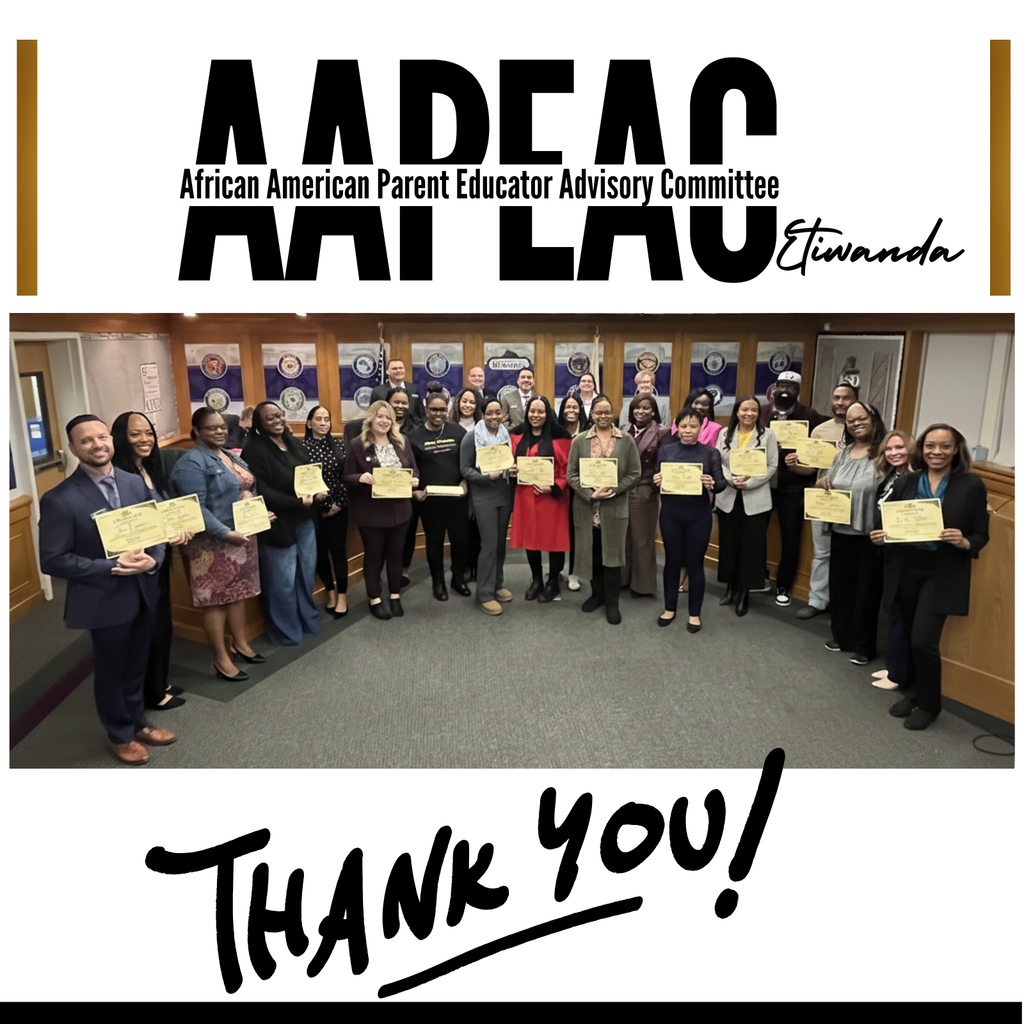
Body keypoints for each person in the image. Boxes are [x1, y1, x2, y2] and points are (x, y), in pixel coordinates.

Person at [40, 414, 175, 765]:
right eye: (86, 441)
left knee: (137, 664)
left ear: (112, 441)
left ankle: (137, 723)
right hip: (103, 598)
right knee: (112, 669)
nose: (97, 445)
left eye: (102, 437)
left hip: (144, 591)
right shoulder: (59, 499)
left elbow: (155, 531)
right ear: (72, 448)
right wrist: (111, 566)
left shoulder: (133, 483)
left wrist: (155, 561)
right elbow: (52, 560)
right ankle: (118, 735)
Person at [871, 424, 989, 730]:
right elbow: (889, 520)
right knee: (909, 635)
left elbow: (980, 534)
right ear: (920, 449)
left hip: (942, 570)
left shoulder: (971, 485)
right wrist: (883, 536)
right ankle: (912, 694)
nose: (937, 452)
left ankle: (929, 704)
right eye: (930, 446)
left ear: (956, 450)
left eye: (945, 446)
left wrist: (965, 542)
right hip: (906, 567)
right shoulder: (908, 481)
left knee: (923, 640)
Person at [172, 408, 264, 681]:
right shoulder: (191, 463)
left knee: (237, 593)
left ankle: (240, 643)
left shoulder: (227, 454)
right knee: (214, 602)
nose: (220, 431)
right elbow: (195, 508)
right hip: (211, 544)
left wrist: (258, 515)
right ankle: (222, 659)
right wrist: (225, 533)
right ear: (197, 431)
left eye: (222, 427)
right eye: (212, 428)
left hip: (241, 535)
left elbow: (244, 488)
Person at [111, 410, 191, 710]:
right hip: (139, 564)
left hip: (161, 558)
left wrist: (178, 529)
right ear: (121, 437)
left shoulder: (150, 468)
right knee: (149, 629)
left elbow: (165, 512)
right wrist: (161, 534)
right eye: (135, 434)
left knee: (162, 624)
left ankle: (158, 682)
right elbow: (126, 526)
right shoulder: (120, 477)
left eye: (148, 433)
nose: (145, 439)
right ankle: (152, 694)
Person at [242, 402, 326, 646]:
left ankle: (305, 621)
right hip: (278, 524)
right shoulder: (254, 450)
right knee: (282, 582)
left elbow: (309, 475)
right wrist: (297, 501)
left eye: (280, 415)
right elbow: (263, 490)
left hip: (304, 519)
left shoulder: (293, 443)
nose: (278, 420)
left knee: (305, 575)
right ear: (259, 424)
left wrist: (318, 491)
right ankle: (285, 632)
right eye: (270, 418)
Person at [819, 401, 887, 665]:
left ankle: (864, 645)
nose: (856, 423)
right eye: (850, 420)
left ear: (873, 419)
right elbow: (831, 481)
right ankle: (842, 635)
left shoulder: (884, 452)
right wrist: (823, 482)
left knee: (866, 591)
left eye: (861, 418)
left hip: (869, 533)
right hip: (840, 529)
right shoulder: (843, 453)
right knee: (841, 586)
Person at [567, 395, 642, 625]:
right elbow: (571, 475)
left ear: (613, 414)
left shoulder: (626, 440)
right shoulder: (579, 441)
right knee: (592, 555)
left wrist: (614, 490)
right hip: (586, 508)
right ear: (591, 415)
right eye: (598, 412)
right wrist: (591, 494)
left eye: (607, 412)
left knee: (612, 557)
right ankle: (596, 595)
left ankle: (612, 602)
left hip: (614, 507)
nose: (602, 416)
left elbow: (635, 474)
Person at [343, 400, 421, 619]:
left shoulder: (402, 441)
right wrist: (360, 477)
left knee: (396, 555)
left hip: (400, 511)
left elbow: (413, 469)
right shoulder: (358, 444)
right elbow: (347, 476)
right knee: (374, 557)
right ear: (371, 418)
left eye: (388, 417)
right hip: (371, 514)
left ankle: (394, 595)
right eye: (380, 416)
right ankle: (375, 598)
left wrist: (414, 480)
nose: (384, 421)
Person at [653, 406, 728, 630]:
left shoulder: (710, 453)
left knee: (695, 565)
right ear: (677, 427)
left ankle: (695, 613)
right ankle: (669, 608)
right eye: (683, 426)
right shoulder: (666, 451)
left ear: (701, 427)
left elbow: (722, 484)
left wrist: (712, 484)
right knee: (672, 563)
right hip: (671, 516)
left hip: (699, 517)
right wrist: (657, 481)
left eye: (693, 426)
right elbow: (659, 486)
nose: (688, 430)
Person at [760, 370, 828, 607]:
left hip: (794, 488)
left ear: (798, 390)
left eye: (791, 386)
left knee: (791, 538)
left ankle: (784, 585)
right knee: (757, 533)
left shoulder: (811, 416)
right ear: (774, 388)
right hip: (763, 485)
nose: (785, 390)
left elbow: (822, 449)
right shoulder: (761, 412)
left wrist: (804, 459)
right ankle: (759, 577)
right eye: (781, 385)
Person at [794, 383, 859, 619]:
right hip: (822, 499)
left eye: (845, 398)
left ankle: (844, 603)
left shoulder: (866, 432)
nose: (840, 402)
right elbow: (809, 470)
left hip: (853, 501)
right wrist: (796, 465)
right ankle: (818, 600)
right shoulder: (820, 430)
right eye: (836, 398)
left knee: (848, 555)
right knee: (821, 553)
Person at [715, 395, 779, 617]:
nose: (749, 414)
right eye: (745, 410)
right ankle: (731, 588)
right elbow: (718, 462)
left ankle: (744, 594)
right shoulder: (724, 433)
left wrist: (750, 482)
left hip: (756, 500)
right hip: (729, 499)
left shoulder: (768, 435)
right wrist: (732, 480)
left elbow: (772, 465)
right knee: (730, 546)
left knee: (751, 550)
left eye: (753, 410)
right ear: (737, 412)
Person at [409, 392, 472, 601]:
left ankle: (457, 579)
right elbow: (409, 469)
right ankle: (438, 582)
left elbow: (470, 461)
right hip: (430, 502)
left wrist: (466, 482)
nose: (438, 413)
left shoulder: (458, 432)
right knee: (434, 543)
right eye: (434, 409)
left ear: (448, 410)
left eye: (442, 409)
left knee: (461, 541)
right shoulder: (414, 436)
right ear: (426, 410)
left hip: (458, 500)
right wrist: (414, 491)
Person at [510, 396, 572, 602]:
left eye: (541, 412)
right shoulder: (516, 434)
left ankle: (553, 581)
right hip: (525, 496)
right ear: (527, 412)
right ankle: (536, 579)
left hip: (552, 498)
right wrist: (511, 470)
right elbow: (510, 462)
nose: (535, 416)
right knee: (531, 539)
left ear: (548, 413)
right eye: (532, 411)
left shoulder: (561, 436)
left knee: (554, 540)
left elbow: (568, 471)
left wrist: (553, 487)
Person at [868, 429, 918, 690]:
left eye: (899, 448)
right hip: (889, 552)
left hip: (908, 556)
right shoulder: (891, 476)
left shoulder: (916, 480)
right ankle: (893, 666)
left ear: (910, 448)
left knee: (902, 613)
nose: (893, 453)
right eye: (889, 449)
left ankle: (899, 674)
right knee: (894, 610)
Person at [461, 399, 518, 615]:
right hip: (483, 496)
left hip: (504, 494)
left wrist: (513, 471)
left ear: (503, 414)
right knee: (489, 544)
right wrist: (487, 477)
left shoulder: (507, 436)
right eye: (489, 413)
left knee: (500, 545)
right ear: (482, 414)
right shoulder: (471, 437)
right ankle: (484, 593)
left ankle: (497, 584)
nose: (494, 417)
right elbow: (465, 469)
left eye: (498, 412)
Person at [300, 405, 349, 619]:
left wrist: (338, 504)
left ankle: (343, 596)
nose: (323, 423)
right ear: (309, 423)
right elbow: (299, 481)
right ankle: (330, 592)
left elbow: (347, 477)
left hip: (338, 508)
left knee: (338, 552)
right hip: (312, 511)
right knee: (319, 554)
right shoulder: (299, 448)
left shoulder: (338, 446)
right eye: (318, 419)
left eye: (327, 419)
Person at [622, 394, 672, 597]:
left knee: (641, 539)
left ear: (654, 411)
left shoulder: (663, 433)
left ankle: (642, 586)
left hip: (645, 490)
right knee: (623, 538)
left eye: (646, 408)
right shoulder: (624, 431)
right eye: (637, 407)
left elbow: (664, 463)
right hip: (622, 489)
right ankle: (623, 579)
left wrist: (654, 485)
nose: (641, 411)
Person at [674, 389, 722, 596]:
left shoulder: (716, 428)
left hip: (703, 488)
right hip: (679, 488)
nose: (701, 407)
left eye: (705, 404)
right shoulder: (679, 423)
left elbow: (713, 459)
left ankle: (691, 576)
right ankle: (681, 574)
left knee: (696, 538)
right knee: (679, 537)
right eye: (697, 403)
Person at [557, 395, 588, 591]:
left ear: (580, 410)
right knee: (560, 530)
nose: (571, 410)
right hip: (559, 488)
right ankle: (557, 570)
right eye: (567, 407)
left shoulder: (588, 432)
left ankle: (574, 573)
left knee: (578, 531)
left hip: (580, 488)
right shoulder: (556, 432)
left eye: (575, 407)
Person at [370, 358, 424, 422]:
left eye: (401, 368)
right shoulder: (378, 391)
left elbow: (421, 414)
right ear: (387, 371)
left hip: (412, 430)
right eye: (394, 368)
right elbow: (372, 416)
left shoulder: (414, 388)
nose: (398, 371)